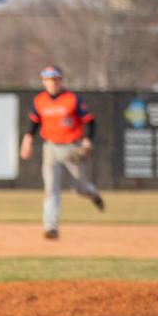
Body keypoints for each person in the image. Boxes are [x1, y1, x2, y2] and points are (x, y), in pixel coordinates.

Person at [19, 64, 104, 239]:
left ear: (60, 80)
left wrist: (87, 141)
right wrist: (27, 140)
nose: (52, 83)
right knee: (51, 188)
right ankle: (51, 228)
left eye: (55, 79)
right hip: (50, 148)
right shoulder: (40, 100)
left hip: (72, 148)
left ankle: (93, 194)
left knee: (79, 188)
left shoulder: (72, 99)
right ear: (43, 81)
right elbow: (34, 122)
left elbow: (90, 121)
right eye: (48, 79)